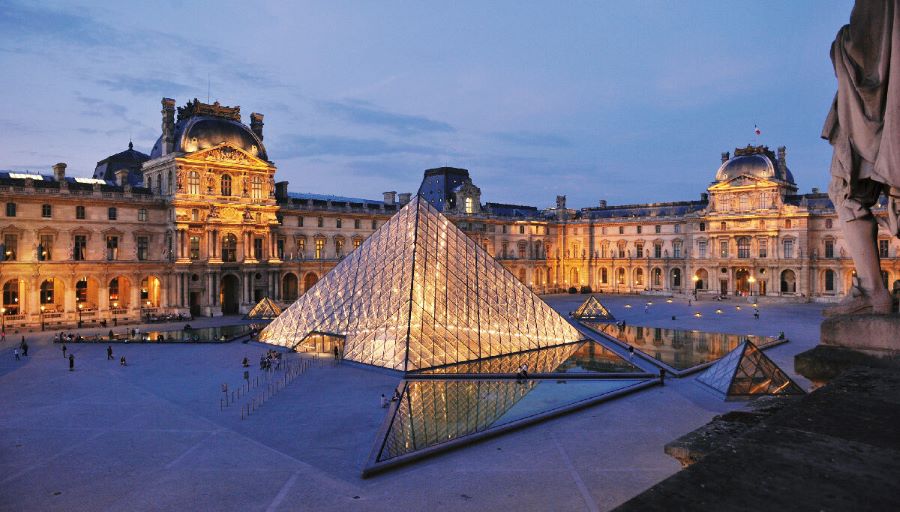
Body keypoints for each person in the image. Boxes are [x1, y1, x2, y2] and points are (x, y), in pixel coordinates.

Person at [823, 1, 900, 316]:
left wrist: (839, 44)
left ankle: (871, 288)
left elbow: (859, 45)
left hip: (867, 114)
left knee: (846, 191)